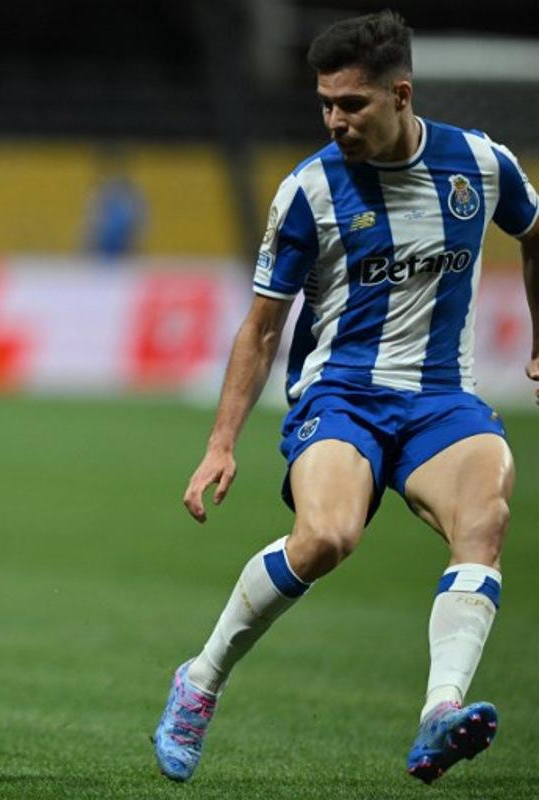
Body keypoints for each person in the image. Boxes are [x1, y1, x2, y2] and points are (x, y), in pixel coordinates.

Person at [154, 10, 539, 785]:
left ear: (400, 95)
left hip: (441, 399)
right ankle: (200, 679)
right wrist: (221, 442)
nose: (336, 120)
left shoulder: (481, 166)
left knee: (485, 519)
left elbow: (535, 233)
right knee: (326, 538)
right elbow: (262, 328)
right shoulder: (310, 191)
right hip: (342, 397)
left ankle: (439, 714)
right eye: (326, 103)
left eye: (352, 104)